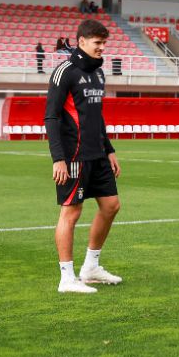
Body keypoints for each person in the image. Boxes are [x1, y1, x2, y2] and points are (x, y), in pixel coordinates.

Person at [46, 18, 123, 294]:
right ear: (81, 42)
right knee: (72, 212)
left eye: (104, 43)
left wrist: (110, 150)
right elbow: (51, 117)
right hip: (73, 156)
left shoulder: (99, 73)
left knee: (112, 205)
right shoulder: (64, 71)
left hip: (98, 155)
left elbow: (96, 116)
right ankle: (66, 278)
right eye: (97, 43)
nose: (102, 47)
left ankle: (90, 268)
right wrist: (58, 158)